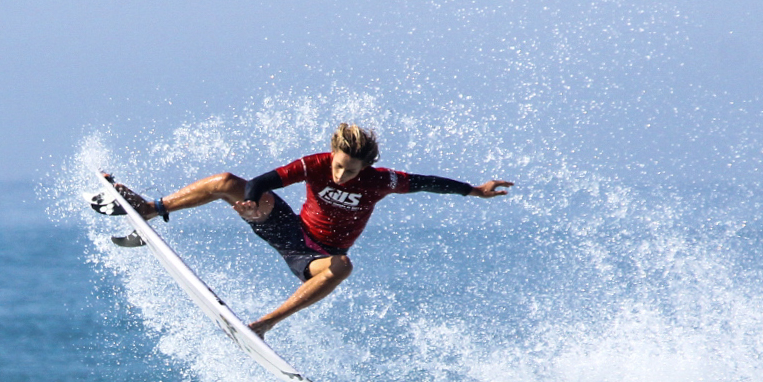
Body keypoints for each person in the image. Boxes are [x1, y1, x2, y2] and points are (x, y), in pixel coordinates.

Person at [101, 123, 512, 336]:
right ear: (331, 152)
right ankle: (150, 210)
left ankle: (262, 325)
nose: (341, 174)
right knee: (228, 181)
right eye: (338, 165)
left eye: (351, 171)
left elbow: (424, 181)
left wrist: (474, 191)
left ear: (366, 168)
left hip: (314, 257)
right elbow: (267, 180)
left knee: (342, 266)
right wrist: (250, 198)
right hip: (286, 230)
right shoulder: (315, 163)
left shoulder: (381, 180)